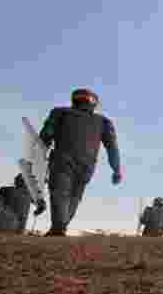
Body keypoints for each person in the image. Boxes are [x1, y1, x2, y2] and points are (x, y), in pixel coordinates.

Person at [38, 88, 122, 236]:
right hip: (87, 165)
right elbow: (112, 148)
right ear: (93, 103)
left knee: (60, 193)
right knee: (74, 196)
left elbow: (46, 134)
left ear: (74, 100)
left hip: (62, 160)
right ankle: (60, 226)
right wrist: (117, 170)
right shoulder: (103, 122)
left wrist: (39, 154)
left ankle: (59, 227)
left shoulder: (59, 112)